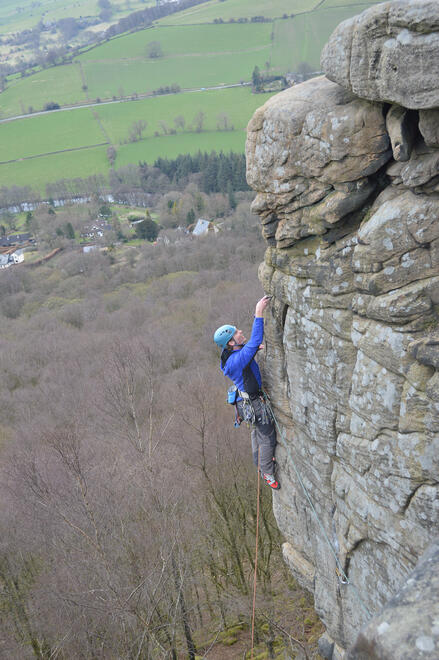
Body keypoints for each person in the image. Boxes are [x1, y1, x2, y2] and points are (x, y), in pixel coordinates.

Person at [214, 295, 280, 490]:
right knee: (267, 436)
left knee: (256, 432)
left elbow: (246, 351)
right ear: (231, 343)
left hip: (245, 402)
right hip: (253, 404)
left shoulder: (231, 355)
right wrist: (258, 312)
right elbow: (255, 340)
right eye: (236, 333)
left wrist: (249, 350)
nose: (240, 331)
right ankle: (267, 471)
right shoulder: (236, 360)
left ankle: (258, 462)